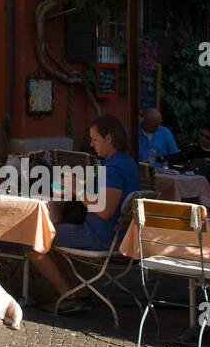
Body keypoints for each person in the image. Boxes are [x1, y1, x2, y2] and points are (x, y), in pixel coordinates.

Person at [28, 114, 140, 314]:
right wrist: (82, 187)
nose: (91, 144)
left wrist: (77, 191)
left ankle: (69, 297)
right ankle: (80, 292)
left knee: (33, 241)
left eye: (95, 139)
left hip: (102, 237)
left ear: (109, 138)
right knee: (56, 236)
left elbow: (105, 211)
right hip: (118, 234)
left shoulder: (113, 168)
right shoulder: (126, 162)